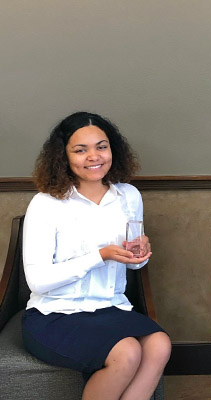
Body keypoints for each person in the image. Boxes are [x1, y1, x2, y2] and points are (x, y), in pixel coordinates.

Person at [21, 112, 171, 400]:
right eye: (81, 150)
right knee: (126, 352)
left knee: (159, 344)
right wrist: (99, 256)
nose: (94, 156)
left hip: (110, 307)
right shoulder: (46, 204)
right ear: (63, 157)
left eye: (101, 147)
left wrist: (140, 254)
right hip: (55, 313)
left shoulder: (128, 196)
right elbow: (38, 281)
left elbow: (134, 260)